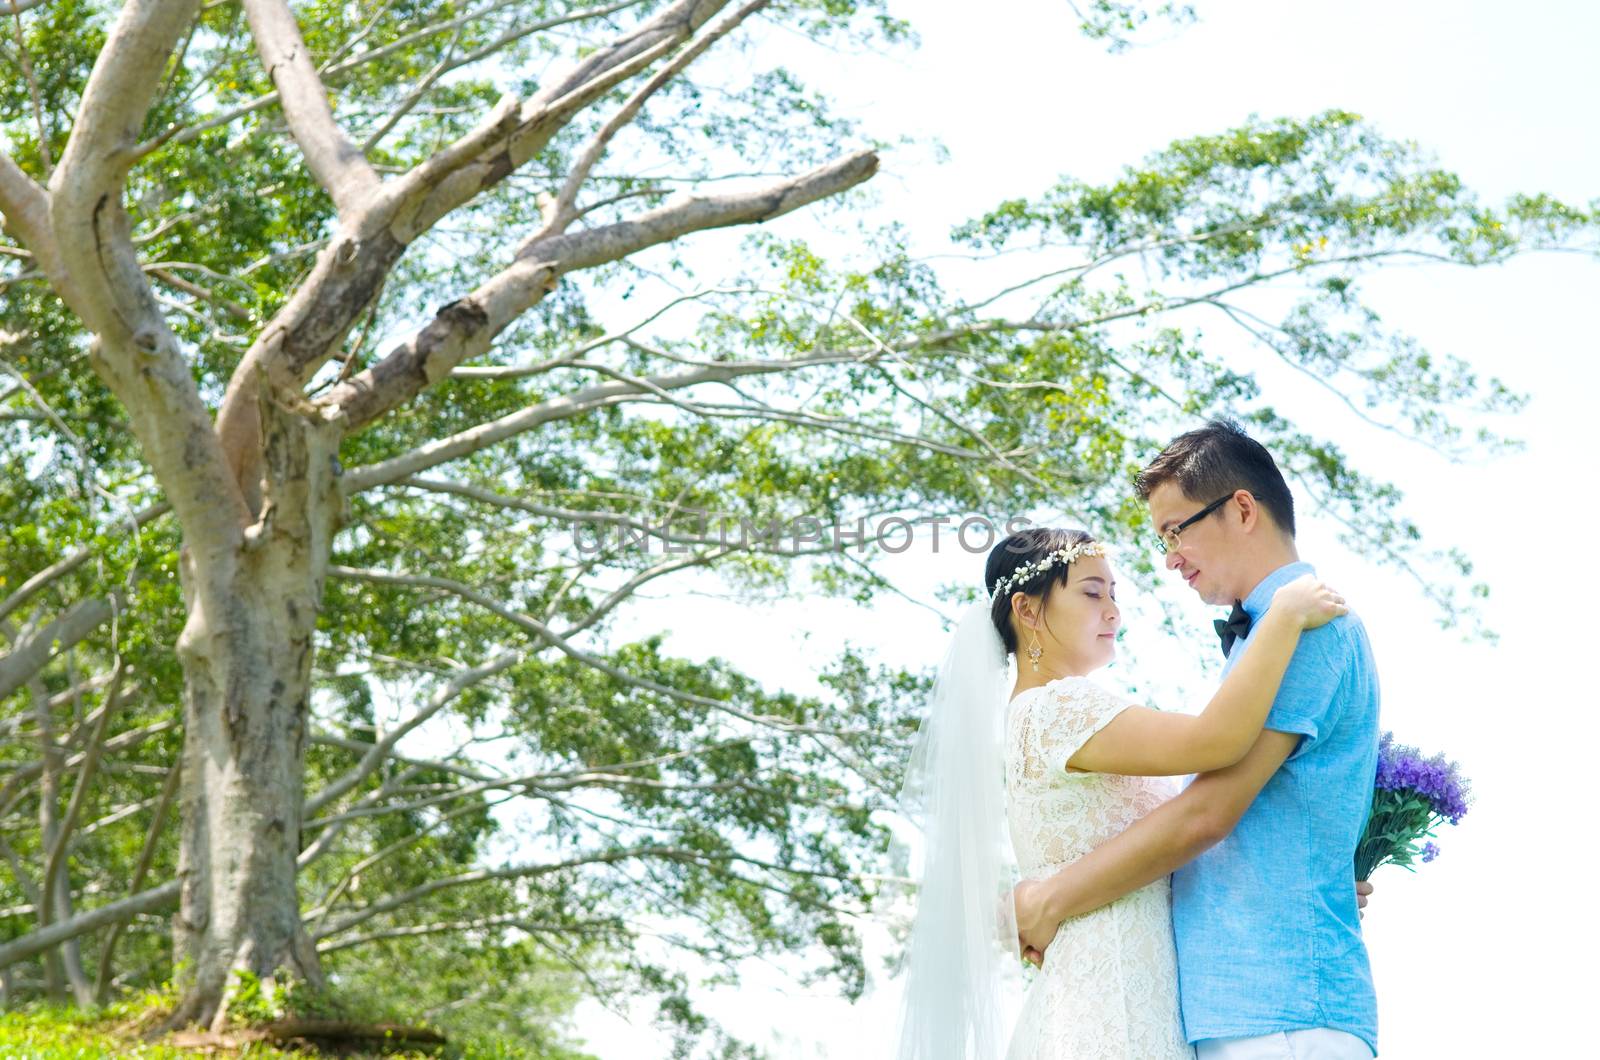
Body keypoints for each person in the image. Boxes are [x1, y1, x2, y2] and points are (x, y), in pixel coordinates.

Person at [894, 519, 1347, 1060]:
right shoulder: (1057, 708)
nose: (1113, 611)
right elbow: (1217, 740)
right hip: (1111, 1014)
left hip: (1125, 997)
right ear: (1029, 611)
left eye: (1114, 594)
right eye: (1091, 593)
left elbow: (1169, 847)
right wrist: (1285, 616)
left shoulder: (1041, 715)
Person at [1013, 420, 1381, 1059]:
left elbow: (1208, 814)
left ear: (1241, 508)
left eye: (1175, 530)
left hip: (1280, 1010)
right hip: (1244, 1010)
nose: (1170, 557)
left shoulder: (1304, 626)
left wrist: (1051, 899)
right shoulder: (1267, 635)